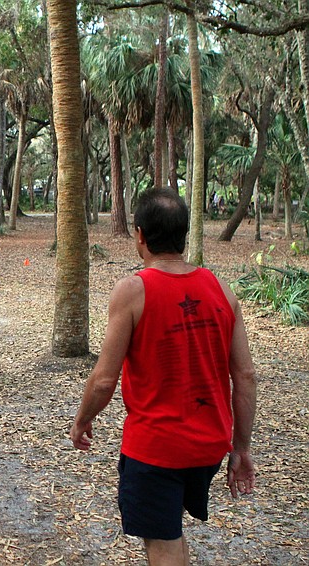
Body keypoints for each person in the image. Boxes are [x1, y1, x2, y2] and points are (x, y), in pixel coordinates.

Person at [69, 187, 257, 565]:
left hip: (156, 448)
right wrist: (242, 447)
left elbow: (104, 380)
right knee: (170, 531)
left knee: (161, 542)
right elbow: (246, 374)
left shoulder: (133, 290)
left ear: (139, 234)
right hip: (209, 446)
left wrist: (82, 420)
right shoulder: (221, 288)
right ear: (184, 234)